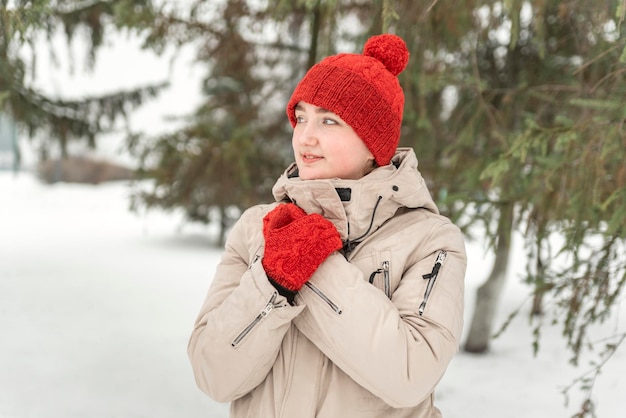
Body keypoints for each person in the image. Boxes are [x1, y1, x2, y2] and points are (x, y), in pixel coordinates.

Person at [188, 33, 466, 418]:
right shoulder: (259, 227)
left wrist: (314, 268)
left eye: (329, 120)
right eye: (301, 117)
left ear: (374, 146)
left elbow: (409, 375)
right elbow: (213, 374)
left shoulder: (430, 240)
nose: (306, 136)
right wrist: (272, 283)